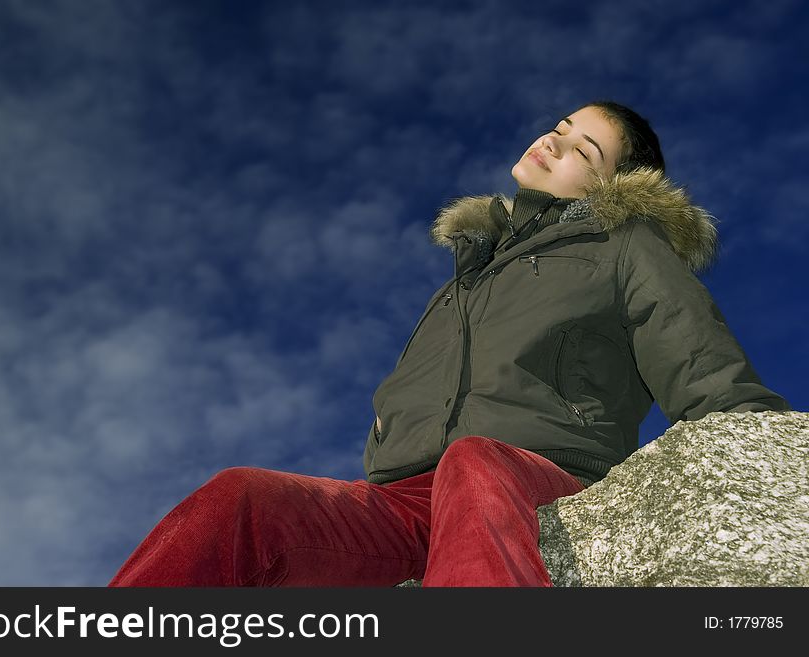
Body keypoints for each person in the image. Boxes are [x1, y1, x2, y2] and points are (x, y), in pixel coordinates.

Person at [108, 100, 790, 587]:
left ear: (613, 185)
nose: (553, 142)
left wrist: (762, 452)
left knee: (474, 461)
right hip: (407, 502)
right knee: (241, 498)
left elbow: (692, 347)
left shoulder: (623, 245)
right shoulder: (467, 279)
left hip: (537, 478)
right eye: (559, 128)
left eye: (583, 148)